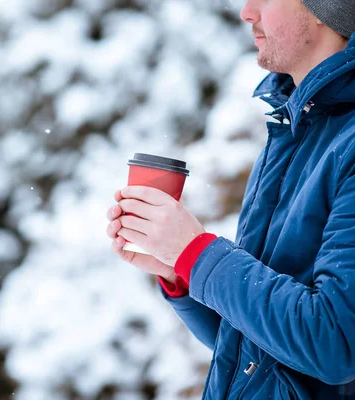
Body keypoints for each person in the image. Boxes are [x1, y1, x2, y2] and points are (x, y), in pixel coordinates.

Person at [106, 0, 355, 398]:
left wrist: (196, 250)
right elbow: (260, 349)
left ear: (325, 9)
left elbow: (336, 344)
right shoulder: (295, 132)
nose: (247, 12)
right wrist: (181, 268)